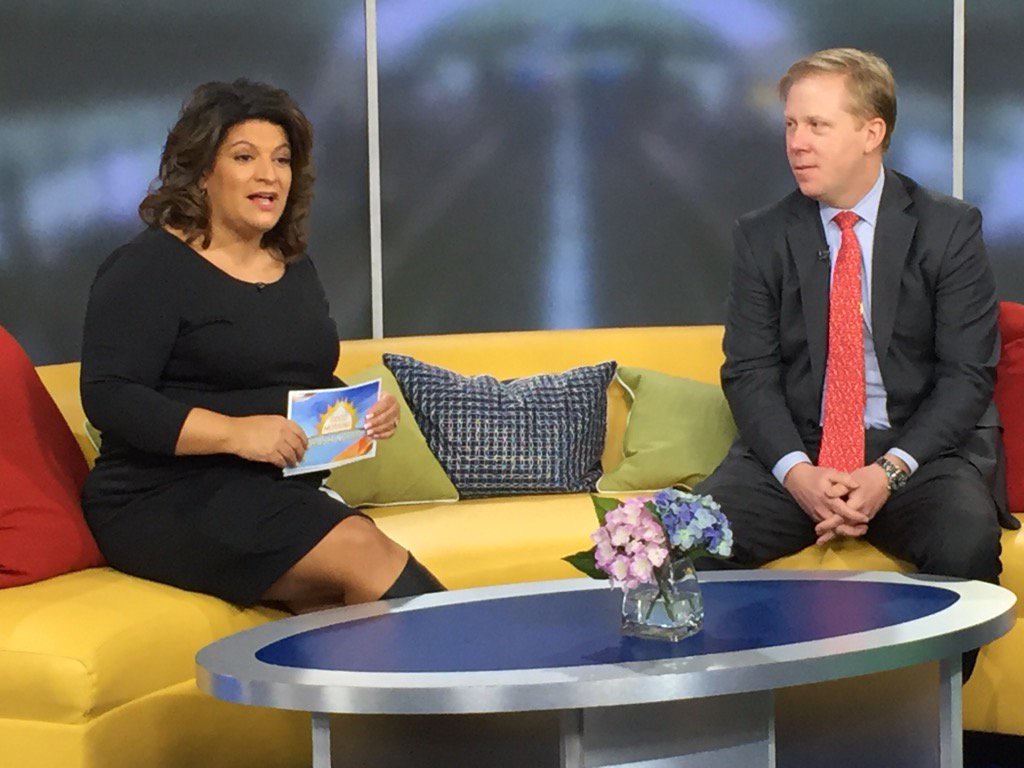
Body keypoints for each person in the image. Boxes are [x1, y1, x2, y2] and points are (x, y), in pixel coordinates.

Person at [80, 79, 444, 613]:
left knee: (347, 610)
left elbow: (291, 375)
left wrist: (357, 411)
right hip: (163, 497)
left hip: (276, 490)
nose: (269, 175)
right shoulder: (146, 268)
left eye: (281, 159)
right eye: (245, 157)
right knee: (362, 549)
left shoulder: (294, 268)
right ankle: (480, 667)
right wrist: (236, 434)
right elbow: (111, 395)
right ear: (202, 171)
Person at [694, 48, 1018, 641]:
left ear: (872, 133)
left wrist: (887, 472)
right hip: (798, 453)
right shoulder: (763, 235)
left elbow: (967, 375)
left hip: (917, 454)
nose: (797, 144)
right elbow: (749, 372)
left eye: (818, 125)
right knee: (684, 544)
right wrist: (798, 474)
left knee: (966, 540)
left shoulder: (949, 228)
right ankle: (755, 697)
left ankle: (923, 700)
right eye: (791, 125)